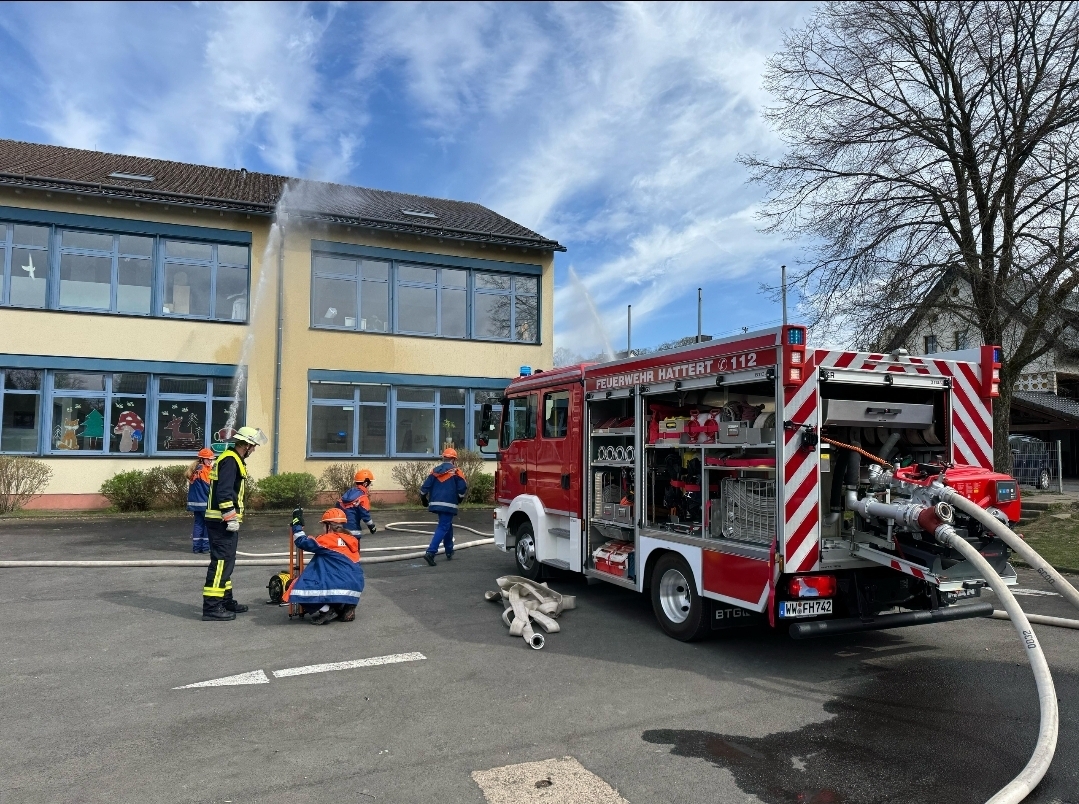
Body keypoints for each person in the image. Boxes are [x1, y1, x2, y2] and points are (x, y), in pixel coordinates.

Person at [201, 426, 267, 622]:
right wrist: (230, 517)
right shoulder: (230, 460)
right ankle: (212, 606)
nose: (253, 450)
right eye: (253, 446)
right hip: (221, 522)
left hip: (220, 521)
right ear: (245, 445)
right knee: (221, 563)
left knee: (226, 563)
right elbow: (224, 491)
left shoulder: (232, 459)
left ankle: (225, 600)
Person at [283, 507, 365, 624]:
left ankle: (327, 610)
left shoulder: (327, 539)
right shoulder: (351, 540)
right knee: (330, 565)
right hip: (355, 587)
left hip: (338, 585)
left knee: (293, 586)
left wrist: (297, 525)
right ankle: (344, 607)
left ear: (328, 526)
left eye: (323, 525)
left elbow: (302, 541)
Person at [420, 447, 468, 566]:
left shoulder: (435, 471)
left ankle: (449, 550)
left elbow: (424, 487)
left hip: (435, 503)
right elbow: (462, 488)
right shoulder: (457, 472)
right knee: (443, 526)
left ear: (444, 458)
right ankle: (430, 553)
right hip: (449, 503)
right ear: (453, 459)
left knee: (447, 525)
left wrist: (423, 499)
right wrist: (460, 498)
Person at [186, 447, 215, 554]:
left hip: (195, 504)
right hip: (204, 503)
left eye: (211, 459)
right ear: (202, 459)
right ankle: (206, 548)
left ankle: (196, 548)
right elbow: (209, 487)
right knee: (208, 525)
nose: (210, 461)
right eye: (208, 459)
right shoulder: (205, 470)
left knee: (198, 524)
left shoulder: (194, 469)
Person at [337, 469, 378, 537]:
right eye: (370, 484)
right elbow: (365, 515)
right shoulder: (363, 498)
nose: (370, 487)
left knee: (342, 547)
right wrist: (372, 526)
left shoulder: (348, 493)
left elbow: (337, 507)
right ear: (365, 484)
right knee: (354, 547)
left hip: (341, 529)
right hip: (353, 531)